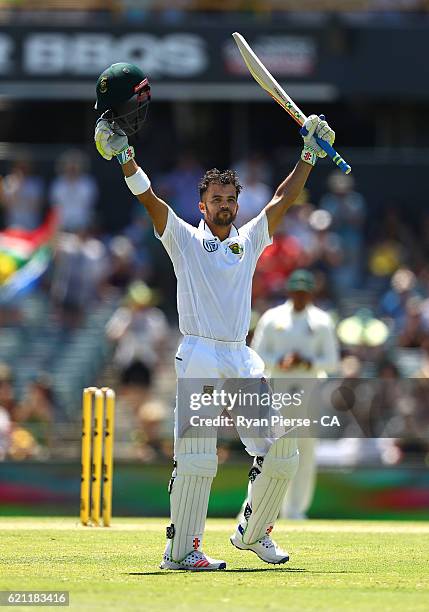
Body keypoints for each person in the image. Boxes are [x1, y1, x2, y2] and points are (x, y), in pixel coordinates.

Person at [94, 62, 336, 571]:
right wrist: (125, 160)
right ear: (201, 205)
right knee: (199, 458)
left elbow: (282, 198)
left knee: (281, 448)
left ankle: (253, 533)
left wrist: (309, 155)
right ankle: (182, 551)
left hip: (241, 356)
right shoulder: (184, 238)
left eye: (230, 199)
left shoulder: (248, 242)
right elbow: (150, 200)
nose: (224, 206)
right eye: (216, 200)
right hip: (200, 351)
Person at [251, 269, 339, 519]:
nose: (300, 297)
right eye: (296, 291)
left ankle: (296, 510)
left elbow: (332, 361)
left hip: (309, 391)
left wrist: (308, 362)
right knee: (272, 449)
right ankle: (267, 507)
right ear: (289, 291)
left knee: (305, 450)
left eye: (305, 292)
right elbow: (255, 355)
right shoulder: (272, 317)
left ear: (311, 293)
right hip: (277, 390)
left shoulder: (321, 321)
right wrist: (281, 361)